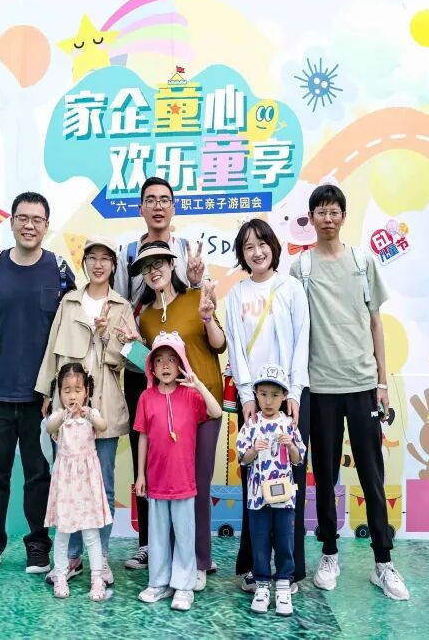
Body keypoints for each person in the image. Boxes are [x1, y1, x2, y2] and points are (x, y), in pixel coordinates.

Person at [289, 183, 409, 600]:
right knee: (324, 476)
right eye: (320, 211)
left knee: (372, 475)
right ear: (311, 218)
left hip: (361, 385)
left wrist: (382, 381)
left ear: (343, 216)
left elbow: (376, 323)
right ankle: (329, 553)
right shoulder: (300, 269)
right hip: (320, 387)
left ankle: (383, 562)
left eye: (334, 211)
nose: (327, 218)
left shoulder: (363, 262)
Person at [0, 191, 75, 577]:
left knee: (38, 475)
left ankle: (38, 545)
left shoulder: (59, 271)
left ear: (47, 225)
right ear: (12, 222)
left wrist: (60, 390)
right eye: (23, 218)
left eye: (37, 219)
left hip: (40, 398)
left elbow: (71, 329)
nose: (30, 225)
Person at [114, 176, 205, 572]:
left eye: (164, 199)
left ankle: (187, 548)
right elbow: (121, 306)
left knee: (180, 454)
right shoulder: (126, 253)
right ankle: (148, 543)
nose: (157, 206)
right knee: (146, 452)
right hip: (140, 365)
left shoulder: (184, 251)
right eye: (150, 200)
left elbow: (195, 303)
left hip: (178, 368)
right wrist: (131, 345)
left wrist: (197, 282)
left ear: (173, 207)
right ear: (140, 208)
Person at [126, 240, 225, 591]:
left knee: (197, 485)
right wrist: (129, 344)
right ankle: (170, 563)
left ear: (172, 265)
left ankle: (199, 560)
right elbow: (150, 364)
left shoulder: (196, 297)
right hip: (170, 411)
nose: (153, 271)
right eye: (146, 266)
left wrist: (208, 317)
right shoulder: (146, 317)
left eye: (159, 263)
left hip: (204, 403)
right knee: (170, 488)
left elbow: (219, 344)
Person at [35, 235, 131, 587]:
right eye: (92, 257)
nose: (98, 264)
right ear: (85, 263)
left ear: (113, 265)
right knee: (69, 483)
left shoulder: (122, 306)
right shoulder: (70, 302)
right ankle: (72, 557)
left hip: (103, 407)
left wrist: (105, 337)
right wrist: (47, 392)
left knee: (103, 485)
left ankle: (100, 559)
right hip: (69, 407)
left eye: (105, 258)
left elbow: (129, 360)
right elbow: (52, 349)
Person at [224, 218, 310, 594]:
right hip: (253, 403)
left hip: (287, 399)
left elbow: (302, 340)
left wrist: (295, 392)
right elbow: (235, 346)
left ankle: (290, 571)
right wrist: (246, 395)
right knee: (253, 485)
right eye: (248, 247)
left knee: (291, 487)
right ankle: (253, 567)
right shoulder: (236, 294)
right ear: (241, 254)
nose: (257, 252)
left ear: (273, 246)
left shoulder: (291, 288)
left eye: (262, 244)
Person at [134, 331, 223, 611]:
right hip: (156, 482)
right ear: (152, 367)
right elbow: (143, 436)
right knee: (158, 536)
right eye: (159, 360)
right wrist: (140, 475)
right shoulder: (146, 398)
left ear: (181, 364)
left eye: (172, 359)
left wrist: (198, 384)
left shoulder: (191, 396)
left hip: (184, 481)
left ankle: (184, 587)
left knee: (185, 535)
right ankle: (158, 583)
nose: (165, 365)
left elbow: (216, 412)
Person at [235, 364, 306, 617]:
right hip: (257, 499)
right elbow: (242, 459)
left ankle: (284, 584)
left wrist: (292, 446)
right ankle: (262, 585)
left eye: (275, 395)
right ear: (255, 393)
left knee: (285, 541)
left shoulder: (289, 425)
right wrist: (253, 451)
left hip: (284, 499)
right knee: (260, 541)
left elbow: (298, 459)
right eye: (263, 394)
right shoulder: (250, 425)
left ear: (285, 396)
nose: (268, 401)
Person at [44, 363, 114, 601]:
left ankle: (97, 578)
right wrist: (61, 415)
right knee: (62, 532)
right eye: (66, 390)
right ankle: (60, 575)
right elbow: (49, 427)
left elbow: (103, 426)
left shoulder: (90, 415)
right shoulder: (59, 418)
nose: (72, 396)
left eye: (77, 390)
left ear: (86, 391)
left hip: (87, 484)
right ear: (59, 393)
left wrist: (90, 414)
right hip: (65, 485)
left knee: (91, 533)